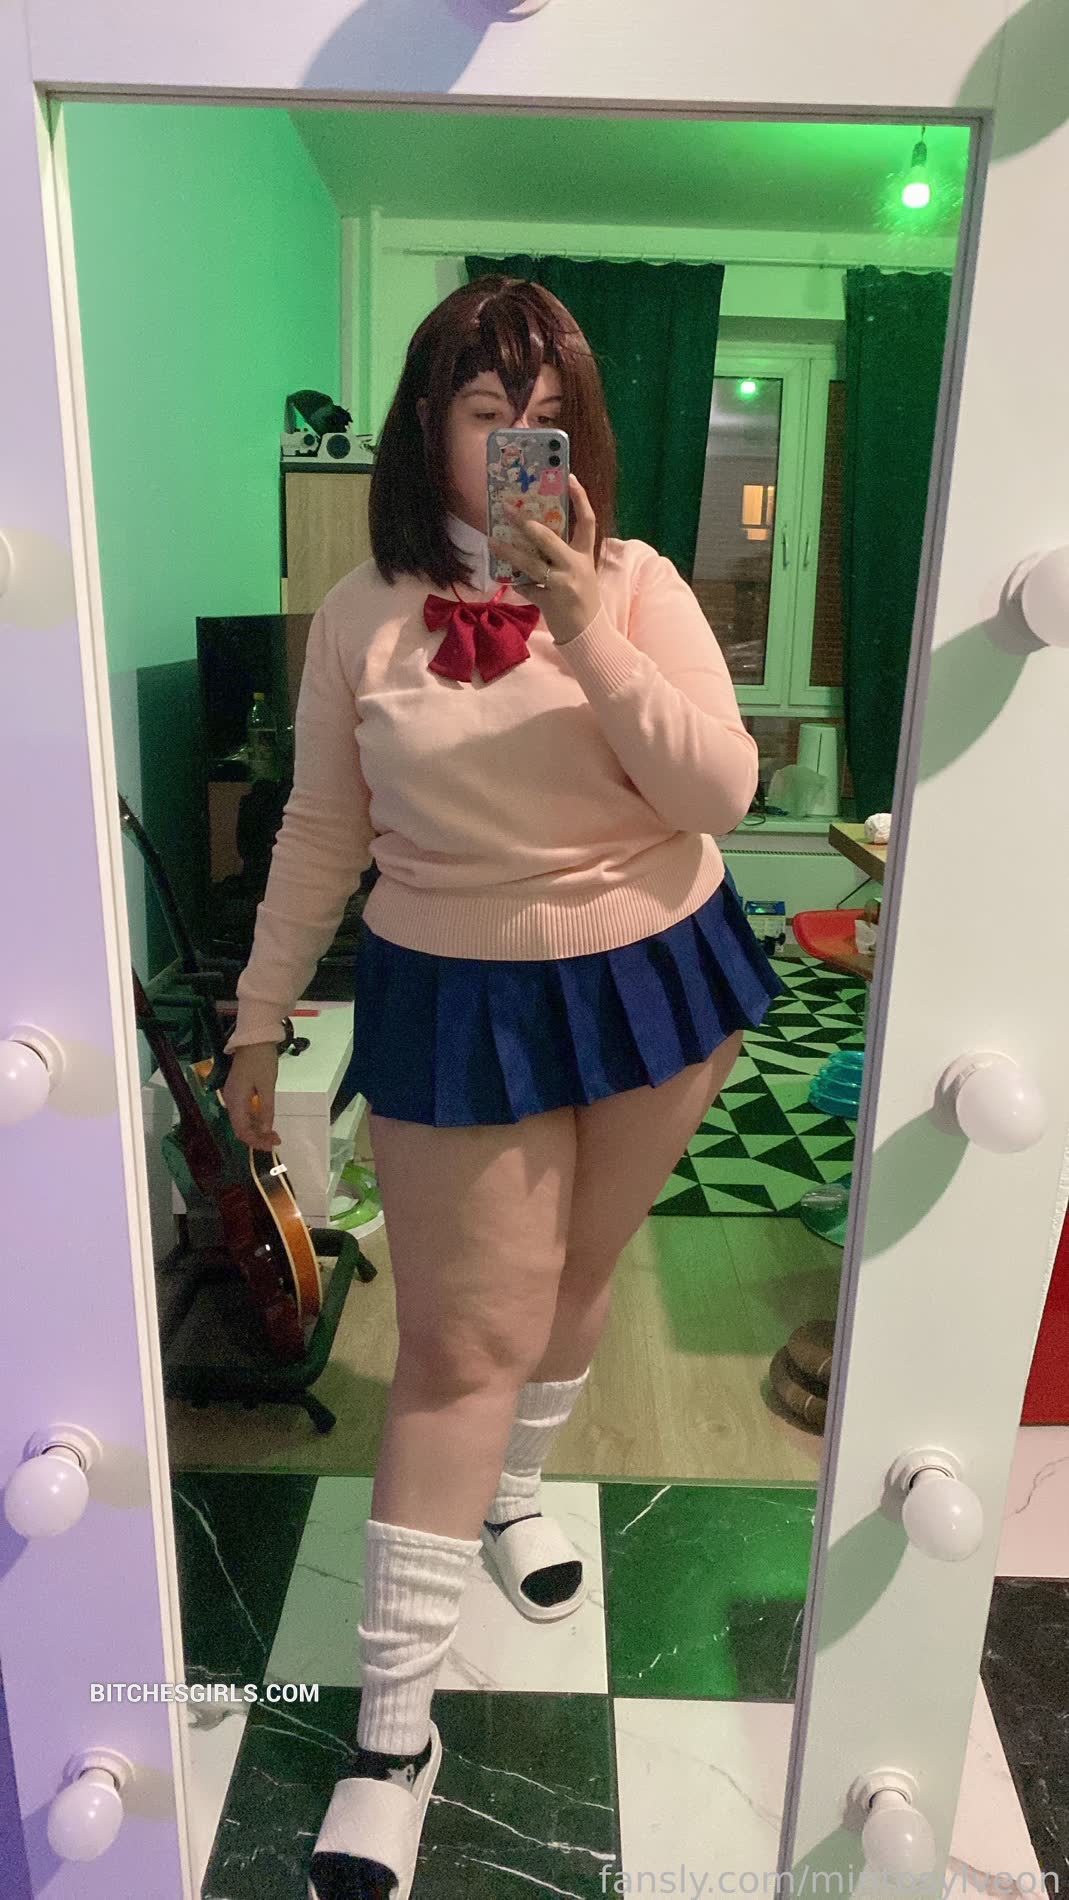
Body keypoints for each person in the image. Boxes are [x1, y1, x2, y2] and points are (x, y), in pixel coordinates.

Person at [221, 274, 784, 1900]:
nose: (518, 443)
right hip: (454, 988)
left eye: (546, 419)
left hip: (653, 966)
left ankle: (518, 1499)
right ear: (429, 427)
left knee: (580, 1277)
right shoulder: (359, 616)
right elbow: (319, 830)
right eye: (486, 413)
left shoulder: (640, 583)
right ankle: (393, 1739)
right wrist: (256, 1023)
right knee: (461, 1344)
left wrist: (585, 625)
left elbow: (717, 789)